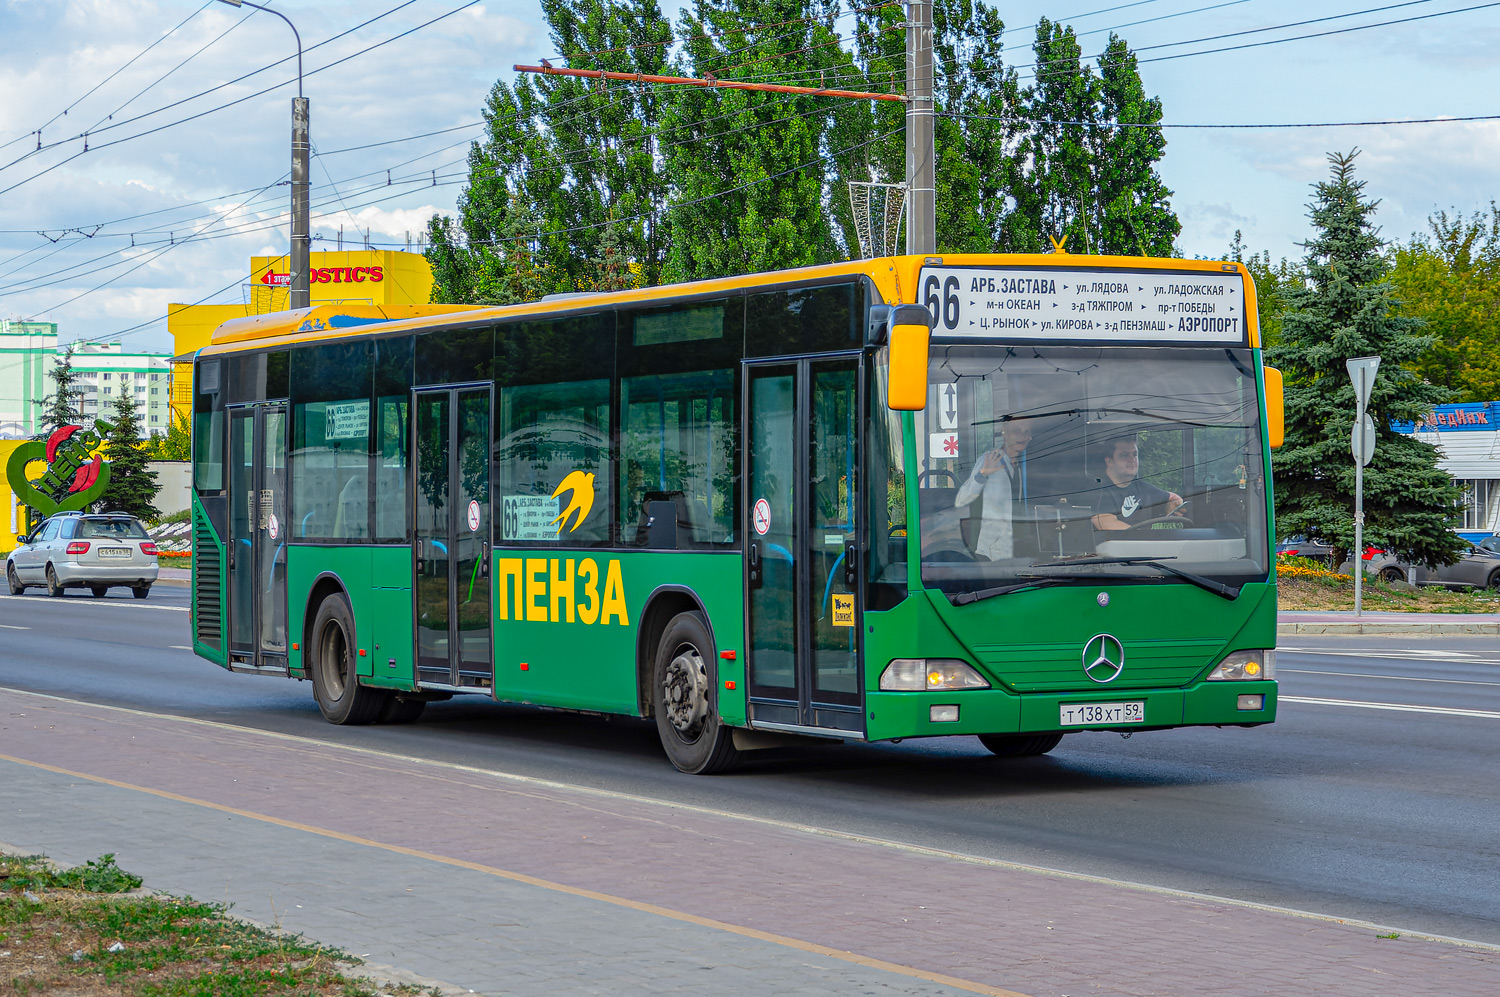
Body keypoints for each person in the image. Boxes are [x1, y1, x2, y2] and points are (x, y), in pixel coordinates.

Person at [954, 420, 1033, 560]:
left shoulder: (1022, 466)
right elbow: (962, 499)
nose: (1022, 436)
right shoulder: (990, 459)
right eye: (1017, 431)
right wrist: (982, 474)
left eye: (1026, 432)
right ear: (1004, 433)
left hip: (1012, 548)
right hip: (986, 551)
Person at [1089, 436, 1184, 531]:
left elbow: (1172, 498)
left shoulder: (1143, 488)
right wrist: (1145, 539)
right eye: (1125, 455)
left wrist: (1173, 506)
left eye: (1135, 454)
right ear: (1109, 460)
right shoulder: (1097, 491)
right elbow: (1106, 523)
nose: (1132, 460)